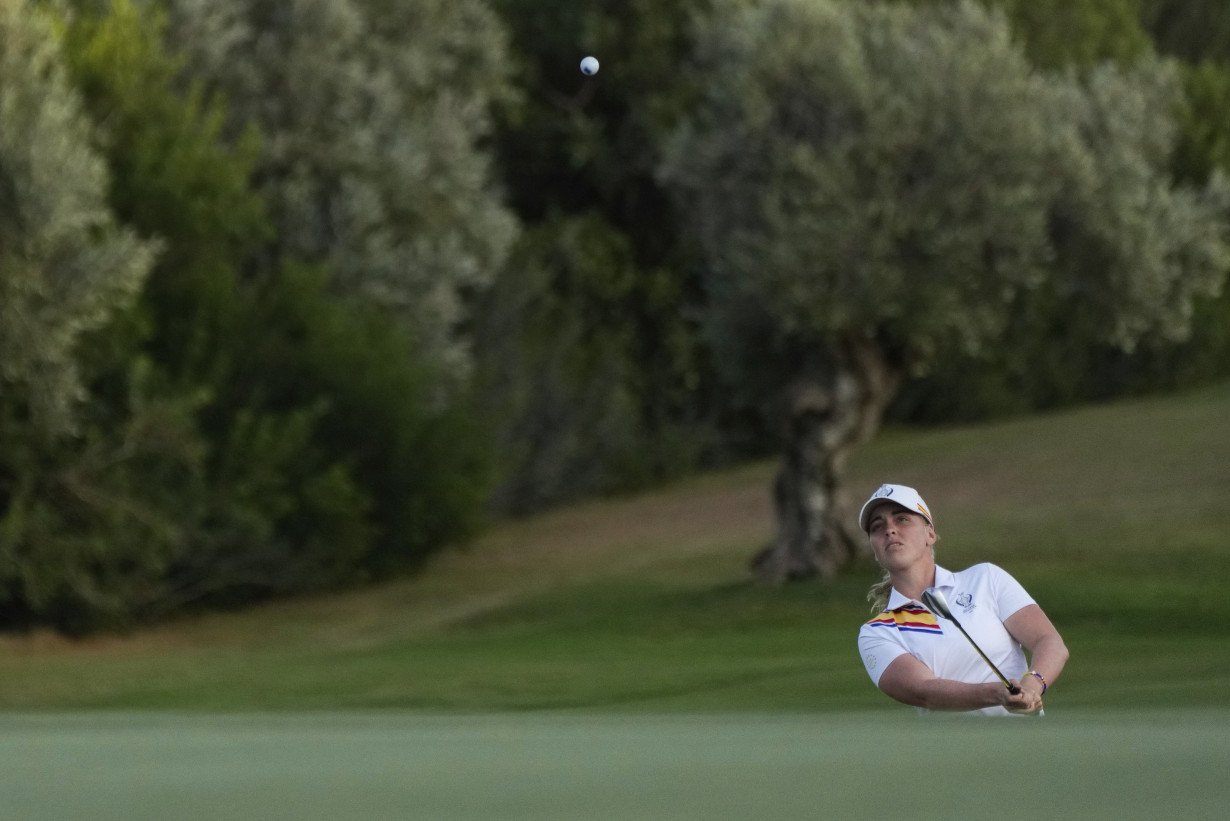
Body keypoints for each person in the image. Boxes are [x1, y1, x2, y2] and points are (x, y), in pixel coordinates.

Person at [855, 483, 1068, 716]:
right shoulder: (877, 632)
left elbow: (1048, 641)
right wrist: (997, 694)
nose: (890, 530)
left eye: (902, 519)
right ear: (874, 549)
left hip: (1027, 745)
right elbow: (924, 691)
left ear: (930, 534)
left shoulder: (986, 579)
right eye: (877, 526)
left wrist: (1033, 684)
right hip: (953, 752)